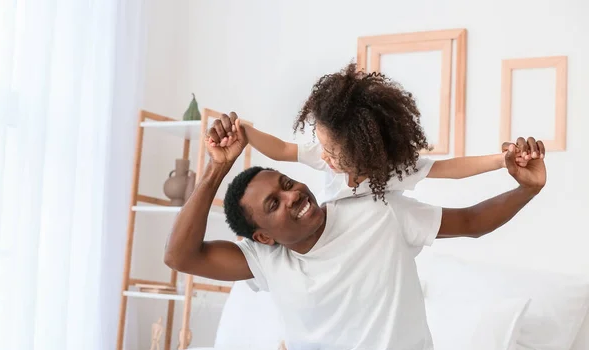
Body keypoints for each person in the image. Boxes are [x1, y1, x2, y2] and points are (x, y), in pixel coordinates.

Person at [162, 113, 546, 350]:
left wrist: (526, 190)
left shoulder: (379, 211)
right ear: (264, 236)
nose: (293, 194)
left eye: (287, 183)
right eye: (274, 203)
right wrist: (217, 168)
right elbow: (180, 257)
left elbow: (472, 221)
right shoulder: (264, 259)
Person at [212, 62, 543, 205]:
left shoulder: (394, 170)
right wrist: (246, 133)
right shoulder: (322, 157)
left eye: (332, 151)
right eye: (322, 145)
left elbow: (449, 168)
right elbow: (283, 149)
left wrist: (502, 161)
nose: (323, 155)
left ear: (365, 152)